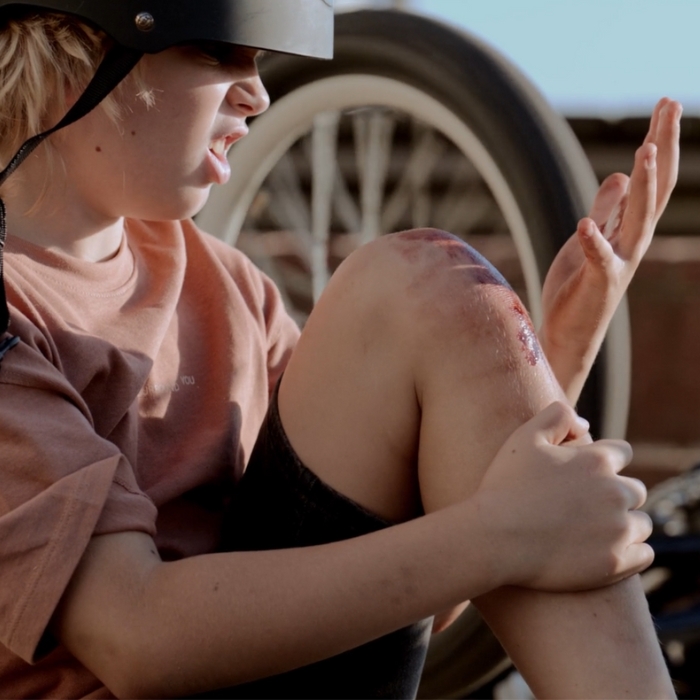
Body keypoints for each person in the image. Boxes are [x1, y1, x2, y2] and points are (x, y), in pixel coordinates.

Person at [0, 1, 682, 698]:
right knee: (410, 278)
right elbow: (133, 637)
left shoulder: (224, 285)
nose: (257, 93)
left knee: (437, 286)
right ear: (66, 62)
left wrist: (560, 349)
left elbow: (409, 597)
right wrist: (503, 535)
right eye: (216, 50)